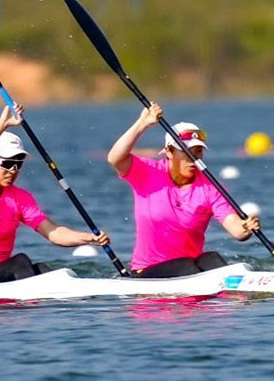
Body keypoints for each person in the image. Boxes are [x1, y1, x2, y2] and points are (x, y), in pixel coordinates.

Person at [0, 104, 109, 283]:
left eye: (18, 163)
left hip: (0, 279)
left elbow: (53, 233)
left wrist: (88, 238)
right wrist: (1, 125)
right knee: (21, 262)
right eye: (7, 163)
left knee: (45, 271)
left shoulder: (20, 198)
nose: (13, 170)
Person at [107, 102, 260, 277]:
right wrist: (142, 124)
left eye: (198, 151)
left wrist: (246, 227)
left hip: (191, 269)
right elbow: (115, 159)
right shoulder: (148, 172)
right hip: (148, 272)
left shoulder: (211, 187)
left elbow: (237, 230)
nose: (193, 158)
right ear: (169, 152)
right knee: (186, 265)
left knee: (211, 259)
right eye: (187, 151)